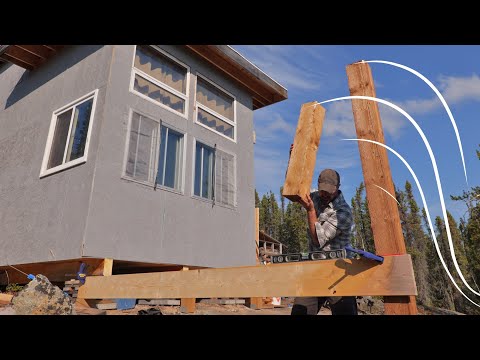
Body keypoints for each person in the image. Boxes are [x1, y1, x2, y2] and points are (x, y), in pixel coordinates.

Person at [288, 146, 358, 315]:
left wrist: (311, 211)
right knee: (300, 312)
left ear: (337, 187)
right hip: (315, 268)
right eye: (322, 190)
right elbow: (294, 189)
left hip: (339, 271)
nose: (324, 195)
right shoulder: (316, 196)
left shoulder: (343, 212)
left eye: (329, 192)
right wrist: (294, 161)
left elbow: (318, 240)